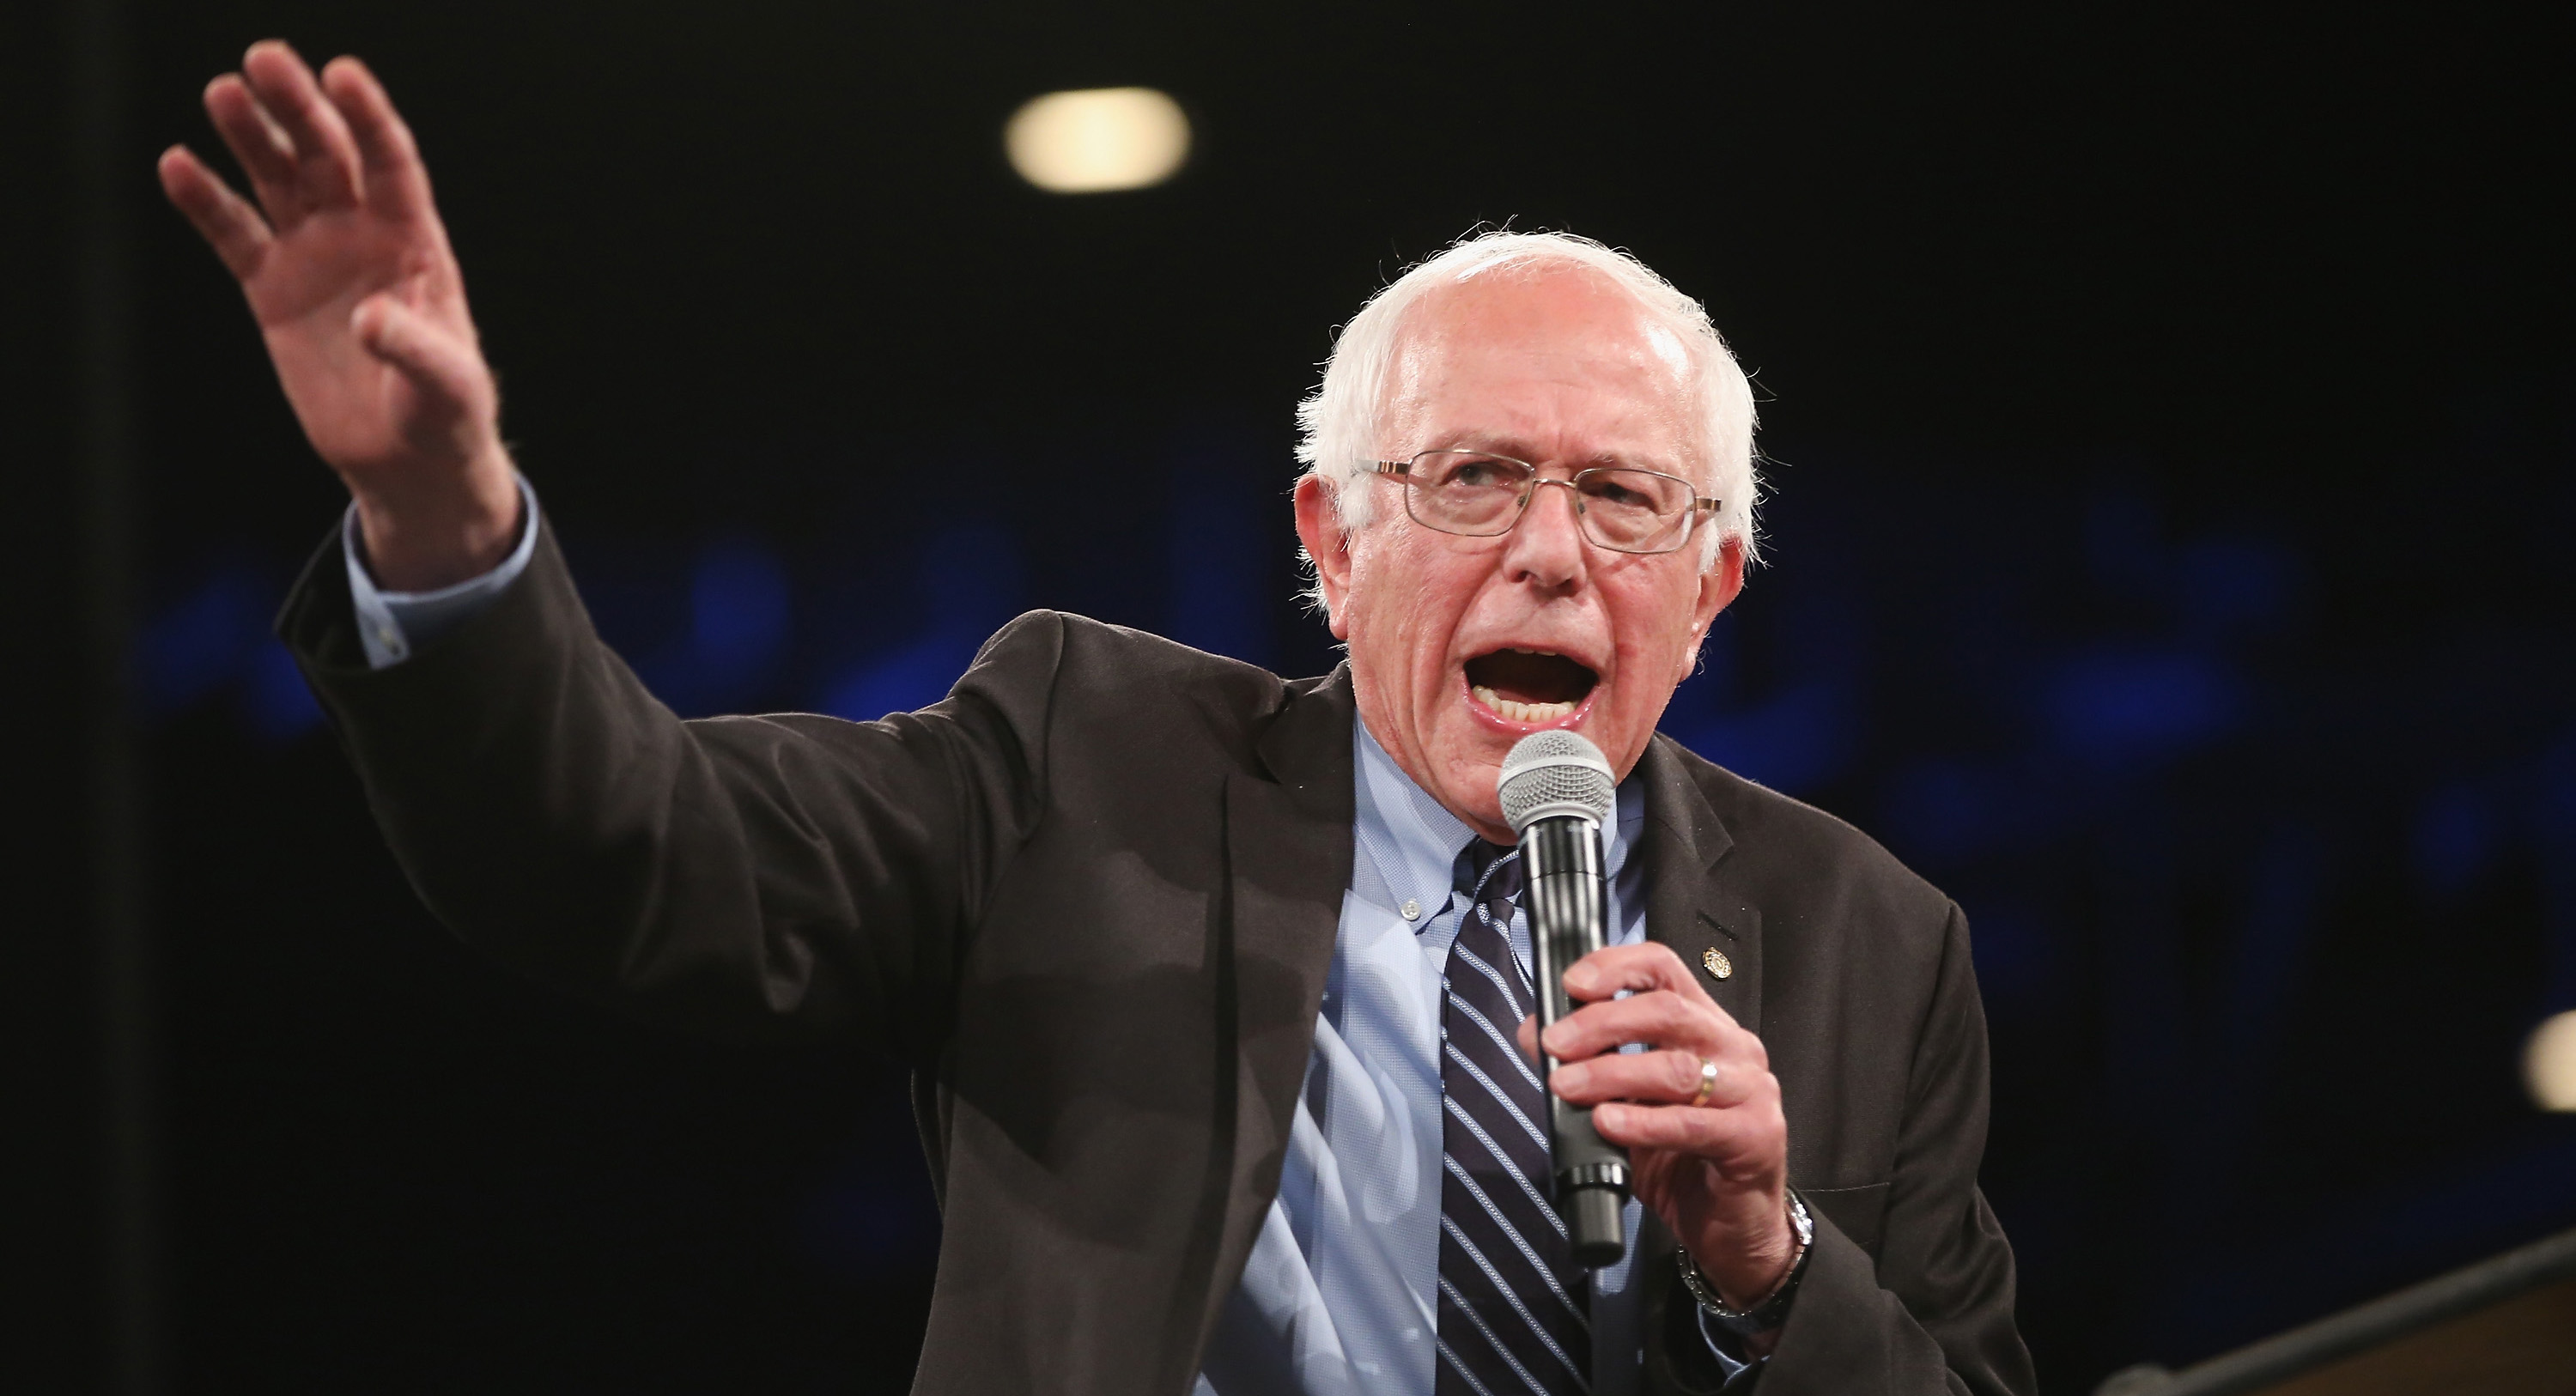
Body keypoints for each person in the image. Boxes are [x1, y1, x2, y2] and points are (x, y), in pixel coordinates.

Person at [161, 39, 2038, 1396]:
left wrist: (1771, 1267)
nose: (1551, 553)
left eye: (1622, 498)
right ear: (1333, 545)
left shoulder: (1873, 948)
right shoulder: (1083, 768)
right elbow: (634, 849)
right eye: (1474, 478)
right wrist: (442, 521)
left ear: (1710, 589)